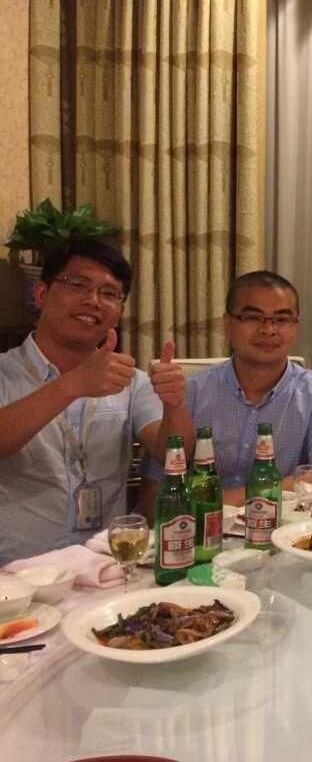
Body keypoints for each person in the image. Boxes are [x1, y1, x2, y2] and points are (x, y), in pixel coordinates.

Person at [0, 239, 191, 562]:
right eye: (78, 285)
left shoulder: (131, 382)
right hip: (16, 570)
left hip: (106, 564)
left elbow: (175, 454)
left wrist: (175, 405)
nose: (93, 301)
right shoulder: (5, 372)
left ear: (119, 312)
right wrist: (72, 384)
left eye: (109, 293)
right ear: (41, 294)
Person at [141, 271, 312, 505]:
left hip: (280, 524)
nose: (268, 330)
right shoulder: (191, 391)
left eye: (282, 319)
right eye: (253, 317)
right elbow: (156, 483)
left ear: (296, 326)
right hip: (197, 524)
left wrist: (225, 502)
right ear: (227, 323)